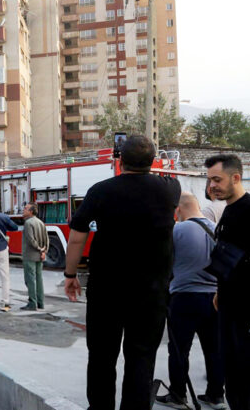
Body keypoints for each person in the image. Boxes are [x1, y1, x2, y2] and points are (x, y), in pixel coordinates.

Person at [64, 135, 181, 409]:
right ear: (153, 161)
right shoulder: (170, 189)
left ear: (119, 160)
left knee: (102, 355)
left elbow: (77, 238)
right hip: (151, 292)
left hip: (107, 289)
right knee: (142, 357)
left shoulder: (100, 191)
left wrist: (70, 275)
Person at [156, 192, 226, 410]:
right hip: (215, 298)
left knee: (179, 350)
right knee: (215, 349)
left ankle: (178, 395)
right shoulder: (218, 229)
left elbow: (164, 263)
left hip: (184, 298)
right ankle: (216, 396)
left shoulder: (177, 230)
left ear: (178, 209)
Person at [204, 154, 250, 408]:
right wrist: (220, 290)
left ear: (235, 177)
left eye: (217, 180)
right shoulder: (228, 209)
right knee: (232, 374)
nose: (212, 186)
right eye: (209, 180)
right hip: (228, 305)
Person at [22, 202, 48, 311]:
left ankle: (32, 303)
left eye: (26, 208)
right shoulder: (41, 222)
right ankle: (41, 303)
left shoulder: (28, 223)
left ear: (31, 211)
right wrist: (44, 251)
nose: (23, 210)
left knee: (30, 280)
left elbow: (30, 240)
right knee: (39, 279)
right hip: (39, 256)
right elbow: (46, 239)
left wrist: (39, 248)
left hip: (30, 255)